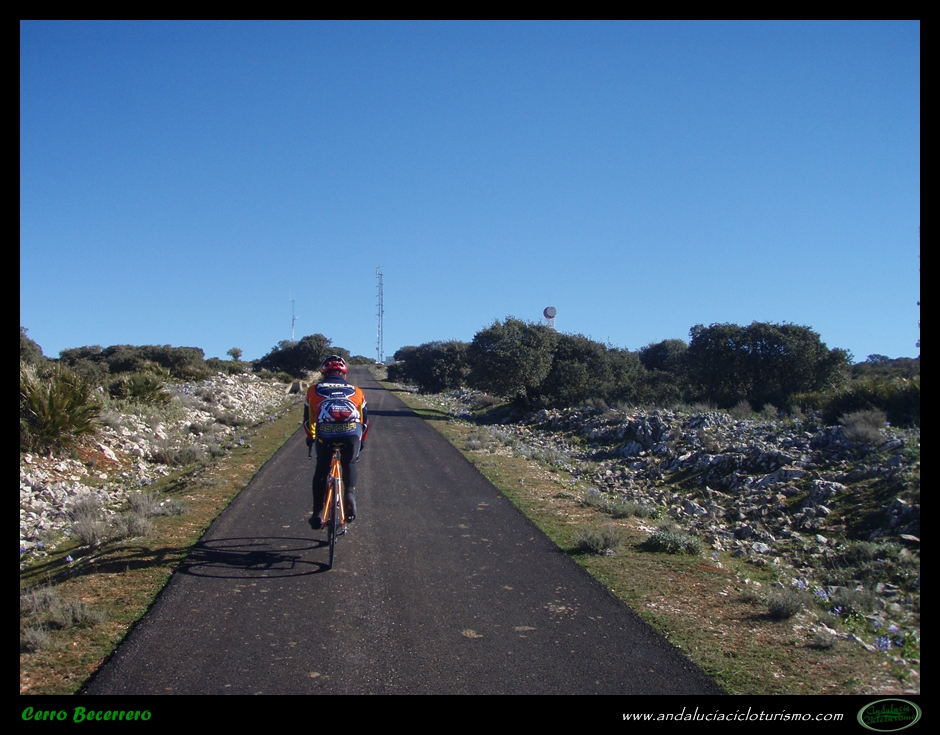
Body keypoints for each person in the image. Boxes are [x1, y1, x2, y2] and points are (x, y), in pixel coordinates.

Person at [303, 355, 369, 529]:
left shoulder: (313, 390)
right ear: (344, 374)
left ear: (323, 373)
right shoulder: (357, 391)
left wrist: (311, 438)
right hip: (351, 432)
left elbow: (308, 421)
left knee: (321, 469)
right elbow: (365, 422)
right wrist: (361, 441)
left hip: (326, 433)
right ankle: (349, 494)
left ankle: (317, 514)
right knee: (349, 462)